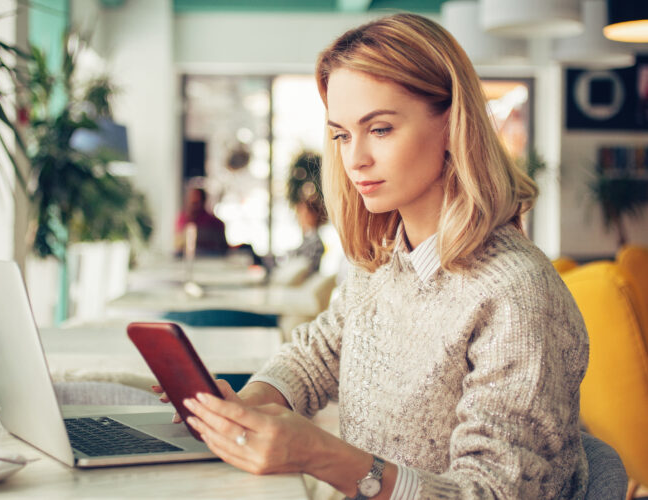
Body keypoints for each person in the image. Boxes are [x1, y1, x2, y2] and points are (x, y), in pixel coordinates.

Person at [155, 13, 589, 500]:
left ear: (451, 124)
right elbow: (320, 351)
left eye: (379, 129)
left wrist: (319, 454)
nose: (354, 158)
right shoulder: (384, 259)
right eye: (341, 135)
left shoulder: (516, 294)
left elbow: (489, 494)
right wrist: (250, 403)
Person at [174, 187, 229, 256]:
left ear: (203, 201)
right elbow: (178, 245)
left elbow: (223, 249)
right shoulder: (182, 219)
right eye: (191, 201)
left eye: (196, 202)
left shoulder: (215, 223)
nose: (193, 205)